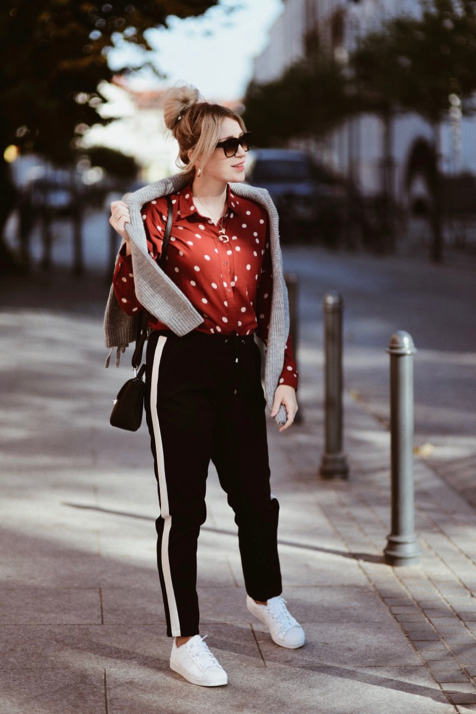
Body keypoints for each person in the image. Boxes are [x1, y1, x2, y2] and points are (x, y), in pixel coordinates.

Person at [104, 84, 305, 688]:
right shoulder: (160, 215)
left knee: (256, 500)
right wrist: (128, 242)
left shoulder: (256, 214)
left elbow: (271, 300)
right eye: (229, 144)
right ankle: (185, 639)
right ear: (195, 154)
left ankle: (265, 597)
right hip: (180, 366)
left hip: (240, 365)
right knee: (183, 511)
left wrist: (284, 376)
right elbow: (129, 298)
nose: (242, 153)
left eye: (245, 141)